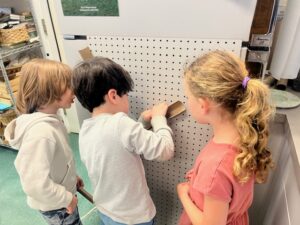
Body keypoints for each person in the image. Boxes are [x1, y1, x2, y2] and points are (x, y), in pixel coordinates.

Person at [72, 56, 175, 225]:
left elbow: (119, 144)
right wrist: (158, 119)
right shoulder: (121, 122)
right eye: (126, 94)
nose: (127, 98)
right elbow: (165, 151)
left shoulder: (86, 129)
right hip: (134, 217)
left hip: (107, 211)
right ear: (113, 95)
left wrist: (140, 123)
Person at [177, 50, 274, 225]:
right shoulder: (244, 138)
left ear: (203, 104)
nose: (187, 101)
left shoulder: (215, 166)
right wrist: (201, 180)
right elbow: (229, 187)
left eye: (188, 97)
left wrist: (184, 194)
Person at [4, 59, 84, 225]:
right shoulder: (41, 133)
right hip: (57, 205)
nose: (74, 90)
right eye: (69, 86)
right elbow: (34, 183)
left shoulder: (52, 120)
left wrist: (70, 178)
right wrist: (66, 198)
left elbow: (56, 161)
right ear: (51, 91)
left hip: (61, 197)